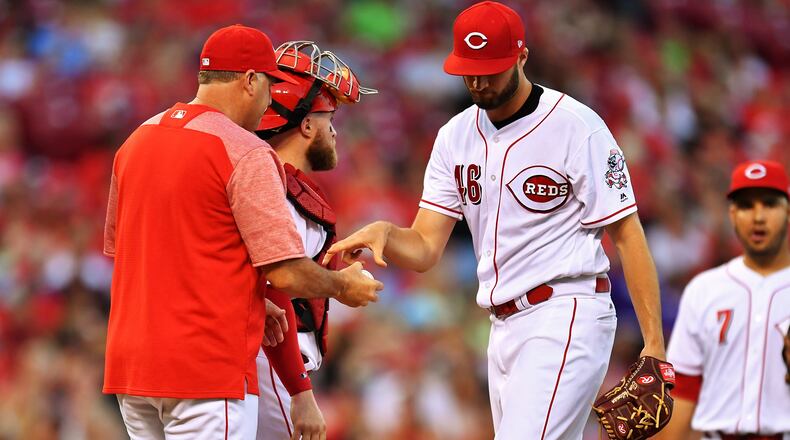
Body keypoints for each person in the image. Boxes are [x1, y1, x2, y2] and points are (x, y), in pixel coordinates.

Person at [323, 2, 668, 439]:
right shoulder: (455, 135)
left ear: (522, 58)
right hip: (501, 326)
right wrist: (388, 234)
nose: (478, 80)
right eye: (469, 69)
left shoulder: (576, 126)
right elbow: (426, 247)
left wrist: (654, 346)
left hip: (566, 310)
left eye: (491, 68)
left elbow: (628, 234)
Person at [103, 25, 381, 440]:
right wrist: (342, 285)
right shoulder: (244, 150)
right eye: (268, 84)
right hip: (206, 372)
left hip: (133, 371)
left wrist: (247, 301)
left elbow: (144, 256)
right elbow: (286, 275)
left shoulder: (136, 140)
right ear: (250, 80)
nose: (269, 100)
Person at [252, 41, 377, 440]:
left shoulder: (276, 182)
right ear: (305, 125)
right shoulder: (273, 186)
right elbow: (279, 284)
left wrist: (328, 264)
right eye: (328, 116)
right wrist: (301, 391)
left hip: (271, 364)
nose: (334, 129)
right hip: (269, 361)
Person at [657, 160, 790, 440]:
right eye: (746, 206)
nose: (758, 217)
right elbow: (683, 391)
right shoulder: (704, 290)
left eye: (769, 203)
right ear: (731, 214)